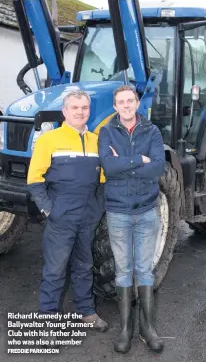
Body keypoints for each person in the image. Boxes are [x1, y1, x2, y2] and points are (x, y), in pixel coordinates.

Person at [27, 90, 108, 332]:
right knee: (55, 269)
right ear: (65, 111)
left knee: (84, 266)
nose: (80, 112)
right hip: (61, 216)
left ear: (88, 111)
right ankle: (48, 317)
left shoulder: (96, 142)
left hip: (87, 217)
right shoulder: (49, 140)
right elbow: (34, 180)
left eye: (84, 108)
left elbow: (102, 182)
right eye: (75, 108)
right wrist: (49, 210)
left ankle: (87, 312)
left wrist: (97, 211)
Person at [98, 85, 165, 352]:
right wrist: (139, 158)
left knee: (144, 269)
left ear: (137, 103)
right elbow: (108, 166)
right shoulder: (107, 132)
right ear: (115, 107)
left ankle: (148, 329)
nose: (126, 105)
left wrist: (124, 163)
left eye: (130, 101)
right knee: (124, 270)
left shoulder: (152, 131)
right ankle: (126, 329)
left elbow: (157, 168)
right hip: (118, 212)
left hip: (147, 210)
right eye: (121, 102)